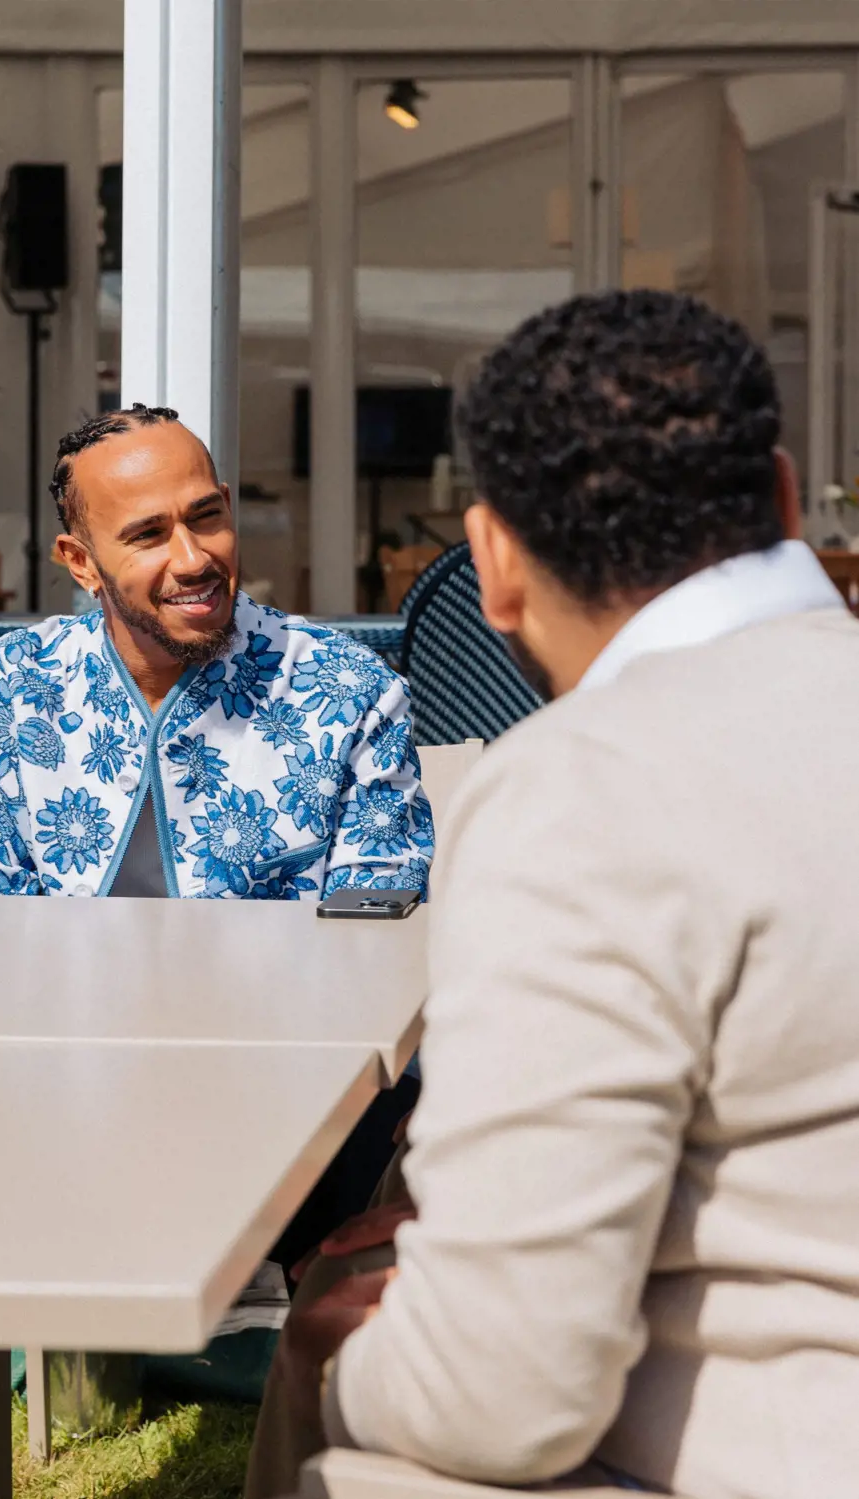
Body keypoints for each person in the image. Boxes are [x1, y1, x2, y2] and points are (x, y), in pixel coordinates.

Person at [245, 289, 859, 1499]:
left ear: (492, 561)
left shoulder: (578, 791)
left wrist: (337, 1362)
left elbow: (500, 1397)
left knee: (339, 1349)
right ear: (784, 498)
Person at [0, 404, 433, 902]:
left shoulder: (350, 690)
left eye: (207, 516)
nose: (193, 559)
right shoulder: (6, 691)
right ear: (82, 563)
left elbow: (378, 915)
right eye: (148, 535)